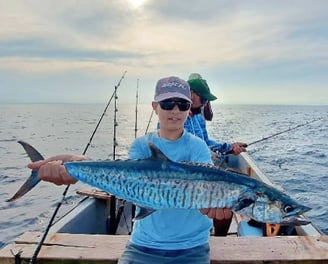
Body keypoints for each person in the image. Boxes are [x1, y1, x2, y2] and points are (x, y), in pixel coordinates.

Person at [28, 76, 231, 264]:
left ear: (189, 109)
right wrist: (77, 164)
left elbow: (204, 189)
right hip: (143, 245)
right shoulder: (142, 145)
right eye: (167, 104)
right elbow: (129, 181)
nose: (175, 110)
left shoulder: (197, 147)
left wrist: (214, 205)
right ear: (154, 106)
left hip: (192, 246)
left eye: (183, 104)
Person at [185, 73, 247, 236]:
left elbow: (205, 142)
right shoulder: (175, 116)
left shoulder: (198, 117)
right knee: (227, 199)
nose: (206, 103)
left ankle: (220, 239)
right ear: (190, 94)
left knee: (231, 197)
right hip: (187, 176)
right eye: (203, 99)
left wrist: (228, 148)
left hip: (204, 170)